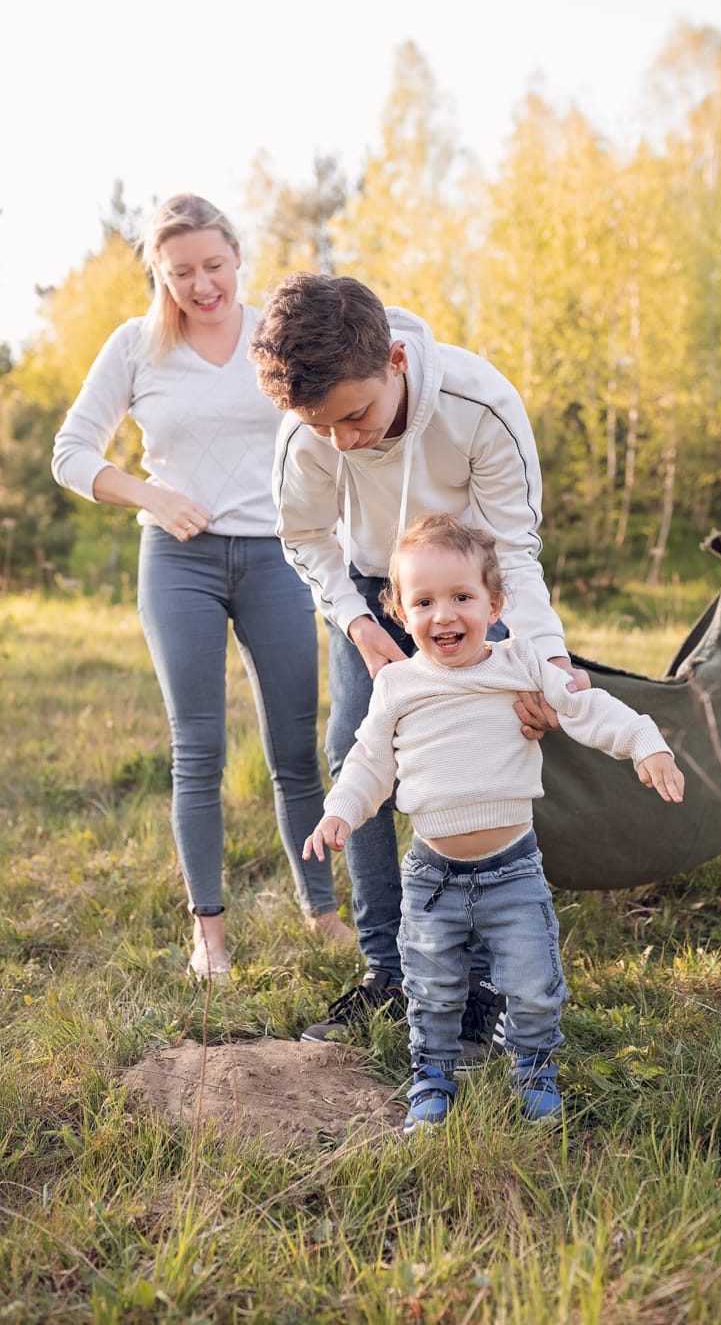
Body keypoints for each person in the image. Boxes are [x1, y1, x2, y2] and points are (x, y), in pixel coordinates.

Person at [250, 272, 593, 1059]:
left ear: (396, 359)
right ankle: (390, 970)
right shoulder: (308, 428)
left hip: (471, 587)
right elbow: (305, 539)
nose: (341, 441)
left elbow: (514, 550)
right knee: (356, 754)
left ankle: (477, 983)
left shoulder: (481, 405)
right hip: (371, 589)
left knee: (482, 751)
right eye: (321, 426)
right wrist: (358, 620)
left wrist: (543, 659)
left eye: (354, 417)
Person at [51, 193, 352, 981]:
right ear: (159, 272)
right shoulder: (135, 346)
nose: (201, 284)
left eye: (213, 265)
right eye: (180, 271)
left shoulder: (272, 336)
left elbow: (334, 426)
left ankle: (322, 911)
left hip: (276, 561)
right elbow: (72, 452)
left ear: (237, 256)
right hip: (178, 563)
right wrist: (151, 495)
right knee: (198, 749)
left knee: (295, 751)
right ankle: (208, 933)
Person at [303, 515, 685, 1130]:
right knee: (430, 987)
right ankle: (431, 1077)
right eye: (424, 601)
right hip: (431, 878)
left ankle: (532, 1068)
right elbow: (368, 762)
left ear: (494, 603)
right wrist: (339, 812)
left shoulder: (520, 664)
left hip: (513, 870)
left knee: (533, 982)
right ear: (399, 612)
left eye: (461, 597)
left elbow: (585, 707)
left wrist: (645, 741)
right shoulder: (397, 684)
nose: (444, 615)